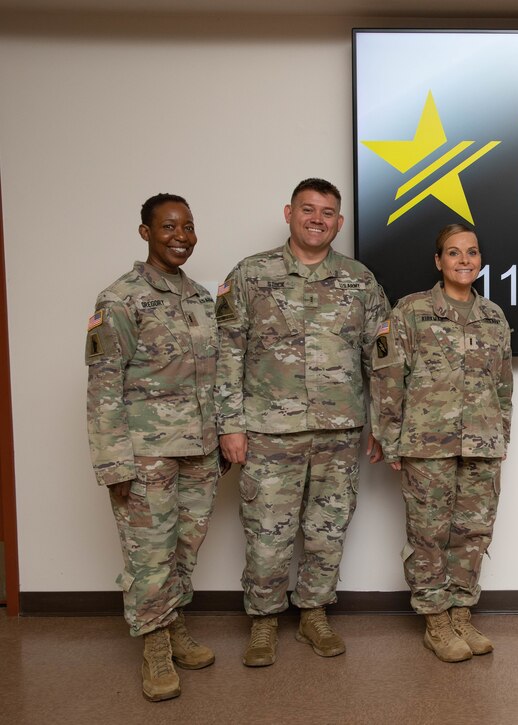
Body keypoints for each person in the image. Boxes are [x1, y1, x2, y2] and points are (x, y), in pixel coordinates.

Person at [215, 178, 390, 667]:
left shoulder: (360, 280)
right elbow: (227, 354)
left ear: (339, 221)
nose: (318, 218)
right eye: (308, 209)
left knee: (327, 529)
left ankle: (314, 612)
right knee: (267, 530)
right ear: (289, 212)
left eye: (328, 212)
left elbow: (380, 359)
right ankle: (265, 620)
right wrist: (230, 425)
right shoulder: (251, 275)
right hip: (269, 432)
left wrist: (380, 422)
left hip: (339, 430)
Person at [85, 193, 221, 701]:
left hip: (200, 450)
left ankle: (171, 622)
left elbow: (218, 375)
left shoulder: (203, 300)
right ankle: (155, 645)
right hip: (146, 454)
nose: (181, 236)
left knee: (185, 547)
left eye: (188, 226)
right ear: (145, 232)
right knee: (150, 553)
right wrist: (114, 461)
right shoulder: (119, 299)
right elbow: (103, 385)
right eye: (168, 227)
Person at [371, 223, 513, 663]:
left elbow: (504, 385)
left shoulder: (493, 316)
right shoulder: (411, 311)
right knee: (429, 534)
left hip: (482, 444)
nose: (464, 260)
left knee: (472, 533)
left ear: (480, 261)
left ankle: (461, 612)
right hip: (426, 444)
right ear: (439, 261)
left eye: (472, 252)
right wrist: (390, 439)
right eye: (454, 253)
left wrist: (500, 434)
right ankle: (435, 620)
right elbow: (389, 377)